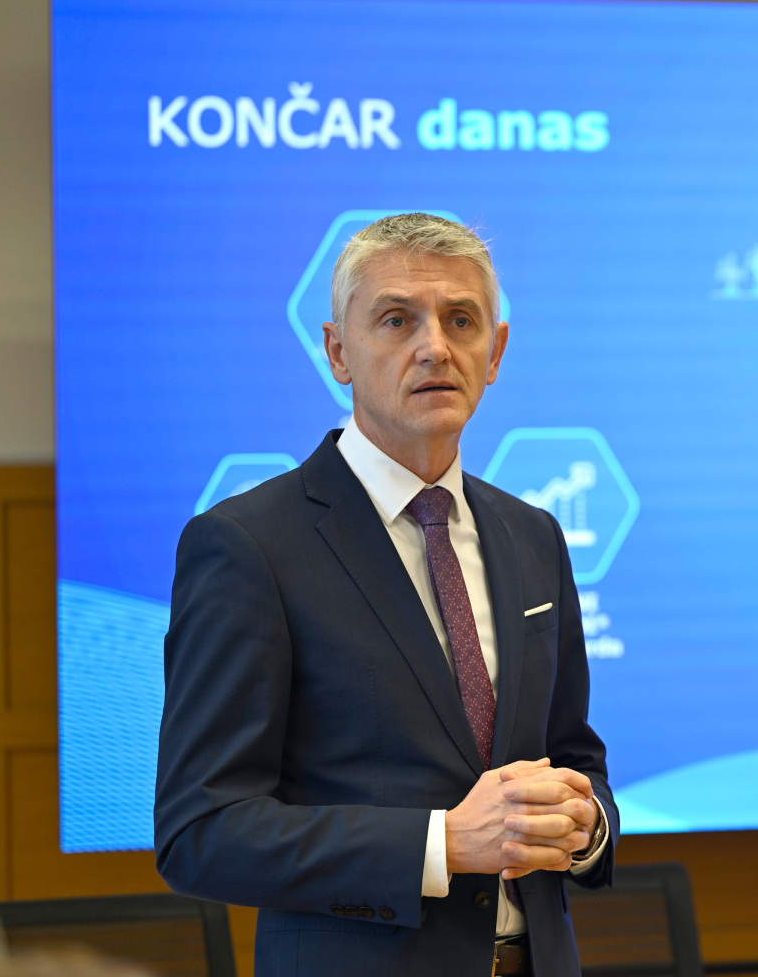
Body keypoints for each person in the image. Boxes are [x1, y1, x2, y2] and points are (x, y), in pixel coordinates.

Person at [154, 213, 615, 977]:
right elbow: (201, 832)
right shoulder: (248, 545)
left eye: (460, 320)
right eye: (397, 320)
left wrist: (586, 823)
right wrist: (441, 845)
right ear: (337, 351)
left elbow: (572, 756)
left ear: (495, 352)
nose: (434, 346)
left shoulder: (533, 535)